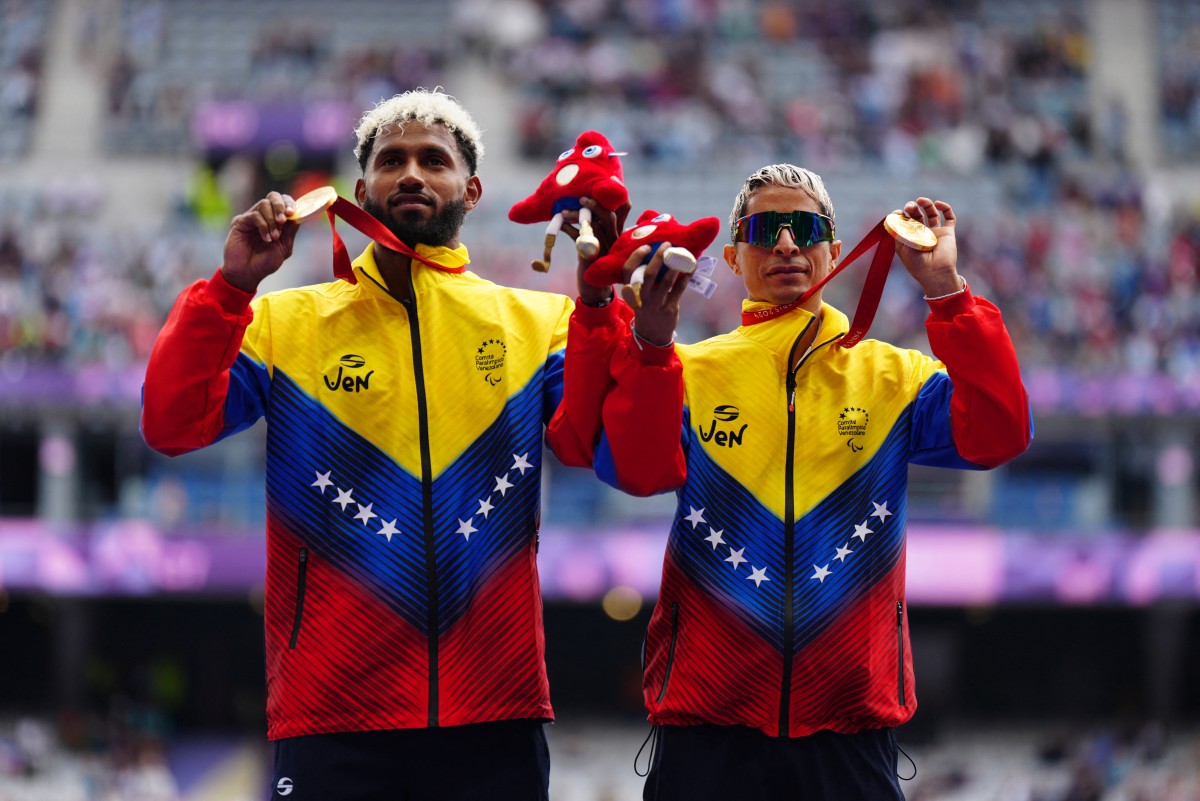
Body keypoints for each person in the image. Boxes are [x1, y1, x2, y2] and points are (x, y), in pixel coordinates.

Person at [141, 88, 623, 800]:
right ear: (360, 188)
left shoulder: (539, 323)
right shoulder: (285, 321)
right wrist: (231, 285)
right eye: (391, 160)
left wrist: (602, 309)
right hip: (333, 713)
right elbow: (171, 422)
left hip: (494, 712)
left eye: (435, 160)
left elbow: (602, 451)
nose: (412, 175)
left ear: (472, 188)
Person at [548, 164, 1033, 800]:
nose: (785, 245)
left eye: (803, 229)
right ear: (732, 255)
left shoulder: (894, 376)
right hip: (706, 731)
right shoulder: (688, 369)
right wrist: (651, 348)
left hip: (850, 733)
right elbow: (635, 475)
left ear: (833, 248)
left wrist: (945, 289)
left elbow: (1000, 433)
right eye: (763, 230)